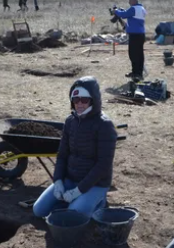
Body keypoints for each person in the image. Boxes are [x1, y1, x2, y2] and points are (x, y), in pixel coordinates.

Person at [33, 76, 118, 219]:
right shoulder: (70, 121)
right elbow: (62, 154)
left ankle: (99, 201)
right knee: (38, 210)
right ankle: (75, 204)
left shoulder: (105, 125)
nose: (79, 104)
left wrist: (78, 191)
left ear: (93, 100)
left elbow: (103, 165)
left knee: (71, 216)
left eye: (84, 100)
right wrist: (58, 181)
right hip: (70, 180)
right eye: (75, 100)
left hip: (95, 184)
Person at [114, 0, 147, 82]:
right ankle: (138, 73)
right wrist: (122, 11)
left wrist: (116, 11)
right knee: (139, 55)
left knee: (133, 54)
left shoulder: (134, 9)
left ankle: (136, 74)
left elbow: (124, 15)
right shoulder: (141, 8)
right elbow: (129, 15)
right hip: (140, 34)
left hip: (135, 35)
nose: (129, 2)